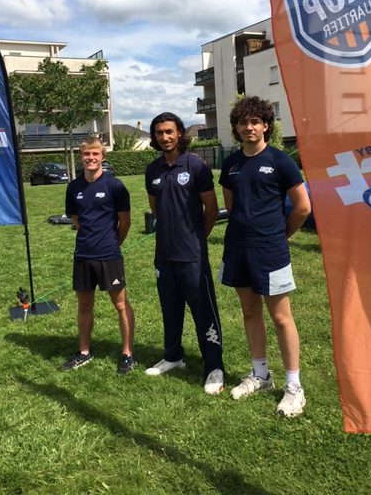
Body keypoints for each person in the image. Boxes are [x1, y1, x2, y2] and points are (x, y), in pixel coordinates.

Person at [219, 96, 311, 416]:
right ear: (237, 128)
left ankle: (294, 386)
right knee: (249, 312)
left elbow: (302, 207)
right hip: (238, 249)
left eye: (255, 121)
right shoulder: (231, 164)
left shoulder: (281, 161)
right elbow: (231, 207)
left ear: (266, 126)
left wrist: (281, 235)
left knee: (281, 317)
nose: (249, 127)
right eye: (243, 123)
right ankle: (260, 374)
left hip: (270, 250)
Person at [145, 112, 224, 395]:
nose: (164, 137)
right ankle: (173, 356)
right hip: (164, 255)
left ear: (179, 133)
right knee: (170, 309)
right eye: (159, 133)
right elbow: (155, 208)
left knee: (203, 311)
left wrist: (197, 238)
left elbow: (211, 209)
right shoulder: (152, 170)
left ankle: (214, 366)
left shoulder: (195, 165)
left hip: (192, 255)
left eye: (169, 131)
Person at [62, 138, 135, 375]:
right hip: (82, 255)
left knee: (120, 304)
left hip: (108, 255)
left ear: (102, 156)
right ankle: (84, 351)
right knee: (84, 305)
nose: (90, 157)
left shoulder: (115, 186)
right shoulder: (73, 187)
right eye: (86, 154)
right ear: (81, 156)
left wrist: (112, 244)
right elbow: (76, 220)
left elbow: (124, 222)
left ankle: (126, 353)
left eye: (95, 153)